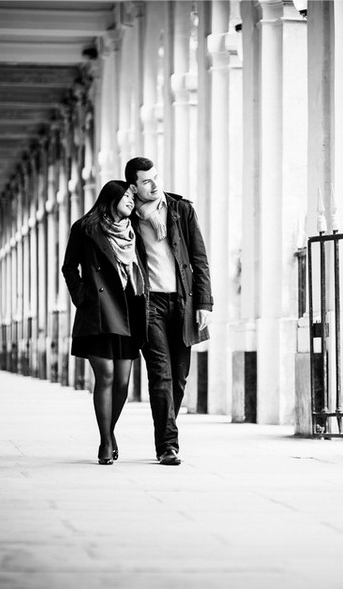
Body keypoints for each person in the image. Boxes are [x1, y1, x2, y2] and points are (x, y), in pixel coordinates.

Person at [125, 156, 212, 466]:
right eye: (146, 181)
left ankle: (166, 431)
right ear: (133, 187)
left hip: (183, 302)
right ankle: (167, 446)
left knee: (179, 379)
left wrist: (204, 303)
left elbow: (199, 258)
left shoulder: (180, 210)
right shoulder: (128, 218)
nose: (154, 184)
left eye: (156, 177)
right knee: (160, 375)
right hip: (149, 305)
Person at [62, 180, 146, 465]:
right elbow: (69, 267)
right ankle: (106, 442)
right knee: (106, 375)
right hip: (98, 310)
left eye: (132, 198)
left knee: (123, 381)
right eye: (126, 197)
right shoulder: (85, 228)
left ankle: (109, 431)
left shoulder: (134, 231)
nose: (131, 202)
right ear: (111, 197)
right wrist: (82, 296)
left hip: (128, 308)